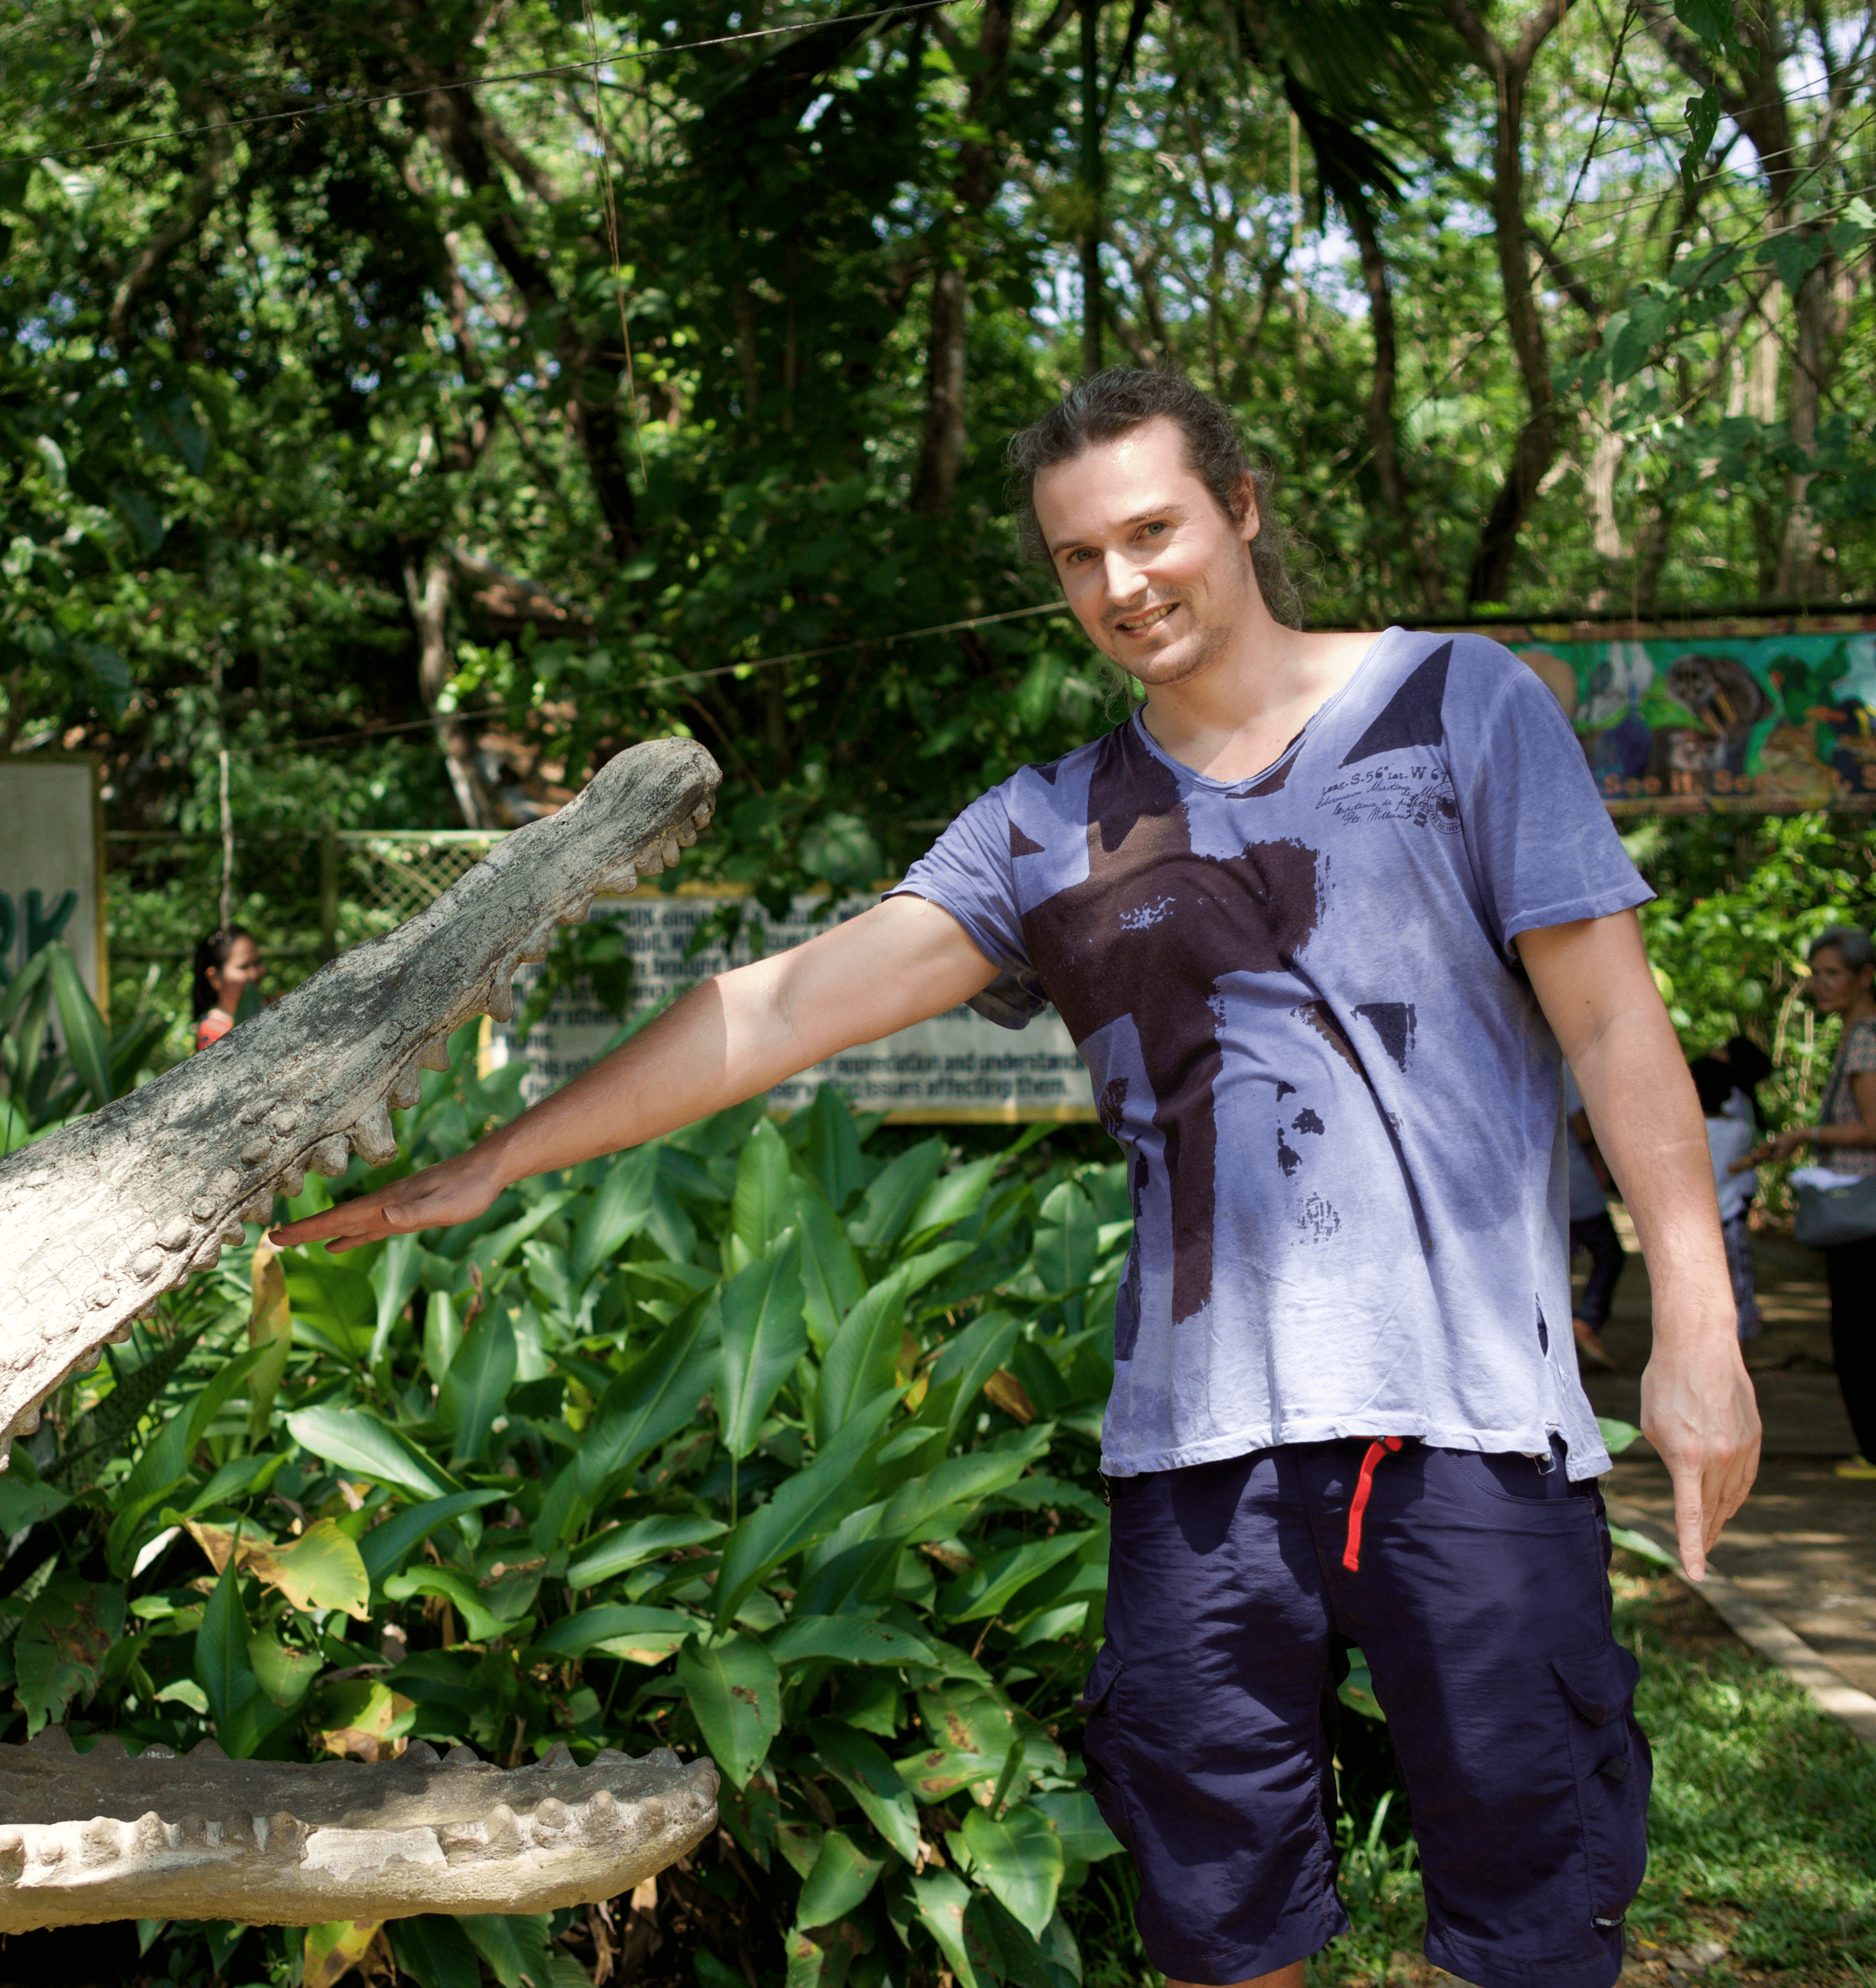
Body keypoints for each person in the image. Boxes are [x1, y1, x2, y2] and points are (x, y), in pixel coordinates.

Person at [279, 369, 1760, 1988]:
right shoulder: (1049, 826)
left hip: (1470, 1432)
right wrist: (498, 1157)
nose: (1125, 584)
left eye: (1154, 531)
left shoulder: (1462, 704)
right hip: (1198, 1466)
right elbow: (774, 1008)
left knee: (1537, 1930)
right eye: (1079, 557)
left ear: (1242, 509)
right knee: (1220, 1933)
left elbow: (1616, 1026)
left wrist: (1698, 1323)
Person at [1759, 925, 1876, 1478]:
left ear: (1865, 977)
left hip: (1862, 1211)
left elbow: (1874, 1128)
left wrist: (1807, 1134)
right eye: (1817, 974)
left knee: (1856, 1334)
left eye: (1834, 974)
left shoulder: (1865, 1037)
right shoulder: (1856, 1033)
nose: (1822, 985)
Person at [1690, 1054, 1762, 1341]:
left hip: (1693, 1224)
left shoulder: (1686, 1130)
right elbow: (1747, 1184)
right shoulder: (1740, 1131)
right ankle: (1739, 1352)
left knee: (1696, 1292)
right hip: (1730, 1221)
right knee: (1738, 1289)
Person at [1567, 1064, 1625, 1369]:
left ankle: (1564, 1333)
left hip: (1544, 1183)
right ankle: (1585, 1321)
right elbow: (1583, 1128)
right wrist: (1602, 1165)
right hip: (1575, 1181)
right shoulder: (1562, 1064)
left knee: (1562, 1260)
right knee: (1609, 1253)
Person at [192, 924, 264, 1052]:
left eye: (257, 963)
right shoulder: (213, 1032)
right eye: (243, 967)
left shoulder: (273, 1003)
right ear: (215, 978)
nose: (255, 974)